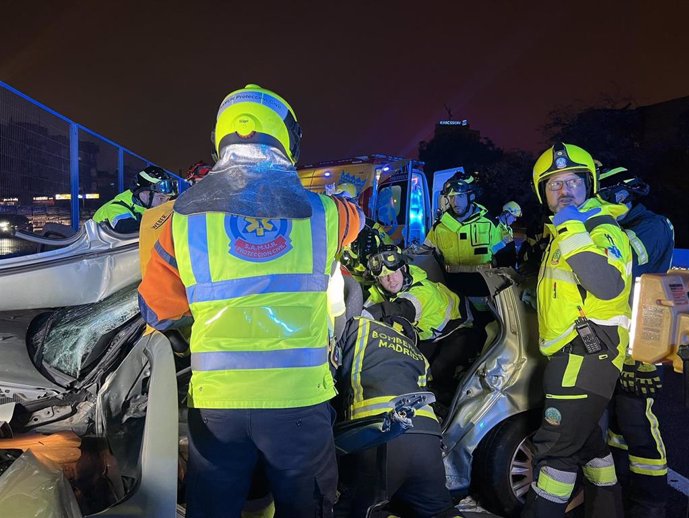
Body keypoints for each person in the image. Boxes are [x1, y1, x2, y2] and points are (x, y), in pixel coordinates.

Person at [138, 84, 363, 517]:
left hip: (218, 407)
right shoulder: (327, 214)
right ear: (287, 138)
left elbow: (157, 310)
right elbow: (358, 219)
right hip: (300, 402)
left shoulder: (181, 220)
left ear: (221, 137)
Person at [522, 143, 632, 518]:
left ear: (590, 185)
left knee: (554, 453)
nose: (564, 190)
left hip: (584, 355)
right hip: (576, 354)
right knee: (590, 448)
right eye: (554, 185)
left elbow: (607, 286)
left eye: (572, 181)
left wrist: (570, 224)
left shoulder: (598, 228)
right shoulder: (566, 233)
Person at [598, 167, 673, 518]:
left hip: (641, 341)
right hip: (616, 339)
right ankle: (622, 487)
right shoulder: (624, 227)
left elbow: (625, 266)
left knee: (637, 421)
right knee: (615, 423)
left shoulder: (652, 226)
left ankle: (651, 501)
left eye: (602, 195)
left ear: (621, 195)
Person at [334, 312, 458, 517]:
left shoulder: (357, 327)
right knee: (439, 510)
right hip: (427, 437)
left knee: (358, 511)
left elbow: (332, 380)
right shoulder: (416, 351)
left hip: (379, 433)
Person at [363, 245, 480, 404]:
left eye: (394, 272)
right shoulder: (379, 293)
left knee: (439, 371)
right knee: (417, 370)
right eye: (384, 277)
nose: (391, 280)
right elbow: (365, 313)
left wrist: (374, 313)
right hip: (430, 336)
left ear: (403, 269)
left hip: (459, 328)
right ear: (377, 279)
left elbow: (404, 309)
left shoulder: (423, 290)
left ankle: (448, 406)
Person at [423, 175, 501, 271]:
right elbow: (427, 257)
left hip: (484, 283)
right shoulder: (439, 227)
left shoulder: (490, 224)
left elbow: (505, 256)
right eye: (451, 197)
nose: (455, 202)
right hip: (450, 284)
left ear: (471, 197)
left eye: (460, 196)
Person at [93, 166, 176, 233]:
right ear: (143, 194)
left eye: (168, 199)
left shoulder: (145, 205)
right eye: (161, 198)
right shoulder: (117, 207)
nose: (165, 203)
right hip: (97, 251)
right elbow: (128, 228)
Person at [492, 200, 522, 268]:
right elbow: (489, 250)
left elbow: (510, 247)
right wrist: (502, 243)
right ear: (507, 214)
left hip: (507, 266)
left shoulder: (509, 229)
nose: (515, 220)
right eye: (514, 217)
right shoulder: (493, 225)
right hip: (496, 265)